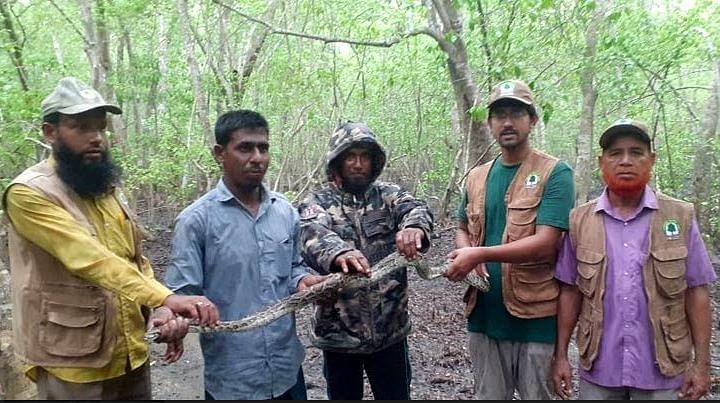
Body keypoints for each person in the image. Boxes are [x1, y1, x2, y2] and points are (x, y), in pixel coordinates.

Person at [1, 76, 219, 400]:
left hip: (129, 353)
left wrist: (160, 309)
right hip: (72, 362)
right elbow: (88, 257)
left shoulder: (101, 185)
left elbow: (134, 257)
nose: (97, 138)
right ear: (50, 132)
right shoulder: (28, 193)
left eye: (101, 128)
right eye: (82, 127)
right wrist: (164, 297)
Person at [164, 110, 325, 400]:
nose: (257, 157)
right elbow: (181, 294)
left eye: (263, 148)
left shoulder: (285, 212)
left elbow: (293, 269)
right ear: (219, 153)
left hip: (287, 370)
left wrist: (304, 282)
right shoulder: (196, 221)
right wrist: (173, 320)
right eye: (245, 148)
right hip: (233, 380)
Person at [552, 118, 716, 400]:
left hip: (664, 371)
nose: (625, 161)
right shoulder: (580, 220)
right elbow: (570, 291)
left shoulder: (680, 216)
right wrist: (561, 356)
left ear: (651, 159)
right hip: (600, 369)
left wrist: (701, 365)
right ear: (601, 162)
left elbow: (697, 292)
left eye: (636, 152)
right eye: (616, 153)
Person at [445, 79, 576, 399]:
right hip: (484, 317)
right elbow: (461, 226)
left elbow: (547, 241)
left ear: (532, 120)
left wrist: (479, 256)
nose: (507, 122)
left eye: (516, 113)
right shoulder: (477, 176)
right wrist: (467, 253)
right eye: (499, 114)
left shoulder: (555, 173)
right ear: (489, 123)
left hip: (536, 318)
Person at [297, 121, 434, 400]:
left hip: (390, 333)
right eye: (350, 156)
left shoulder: (388, 195)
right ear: (337, 161)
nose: (358, 164)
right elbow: (310, 232)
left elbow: (416, 209)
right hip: (338, 336)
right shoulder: (317, 201)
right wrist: (339, 252)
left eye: (365, 156)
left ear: (374, 162)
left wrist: (414, 228)